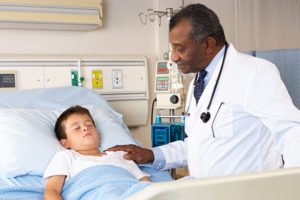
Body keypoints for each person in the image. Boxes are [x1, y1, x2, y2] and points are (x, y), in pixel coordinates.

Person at [106, 3, 300, 178]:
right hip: (205, 190)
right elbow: (199, 144)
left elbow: (291, 132)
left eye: (180, 49)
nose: (173, 57)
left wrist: (289, 188)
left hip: (248, 193)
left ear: (208, 44)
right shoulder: (198, 82)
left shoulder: (254, 73)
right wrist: (151, 154)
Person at [43, 105, 150, 200]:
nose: (85, 128)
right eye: (76, 128)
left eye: (89, 125)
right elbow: (52, 191)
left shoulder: (121, 155)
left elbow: (146, 185)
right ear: (65, 143)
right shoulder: (66, 156)